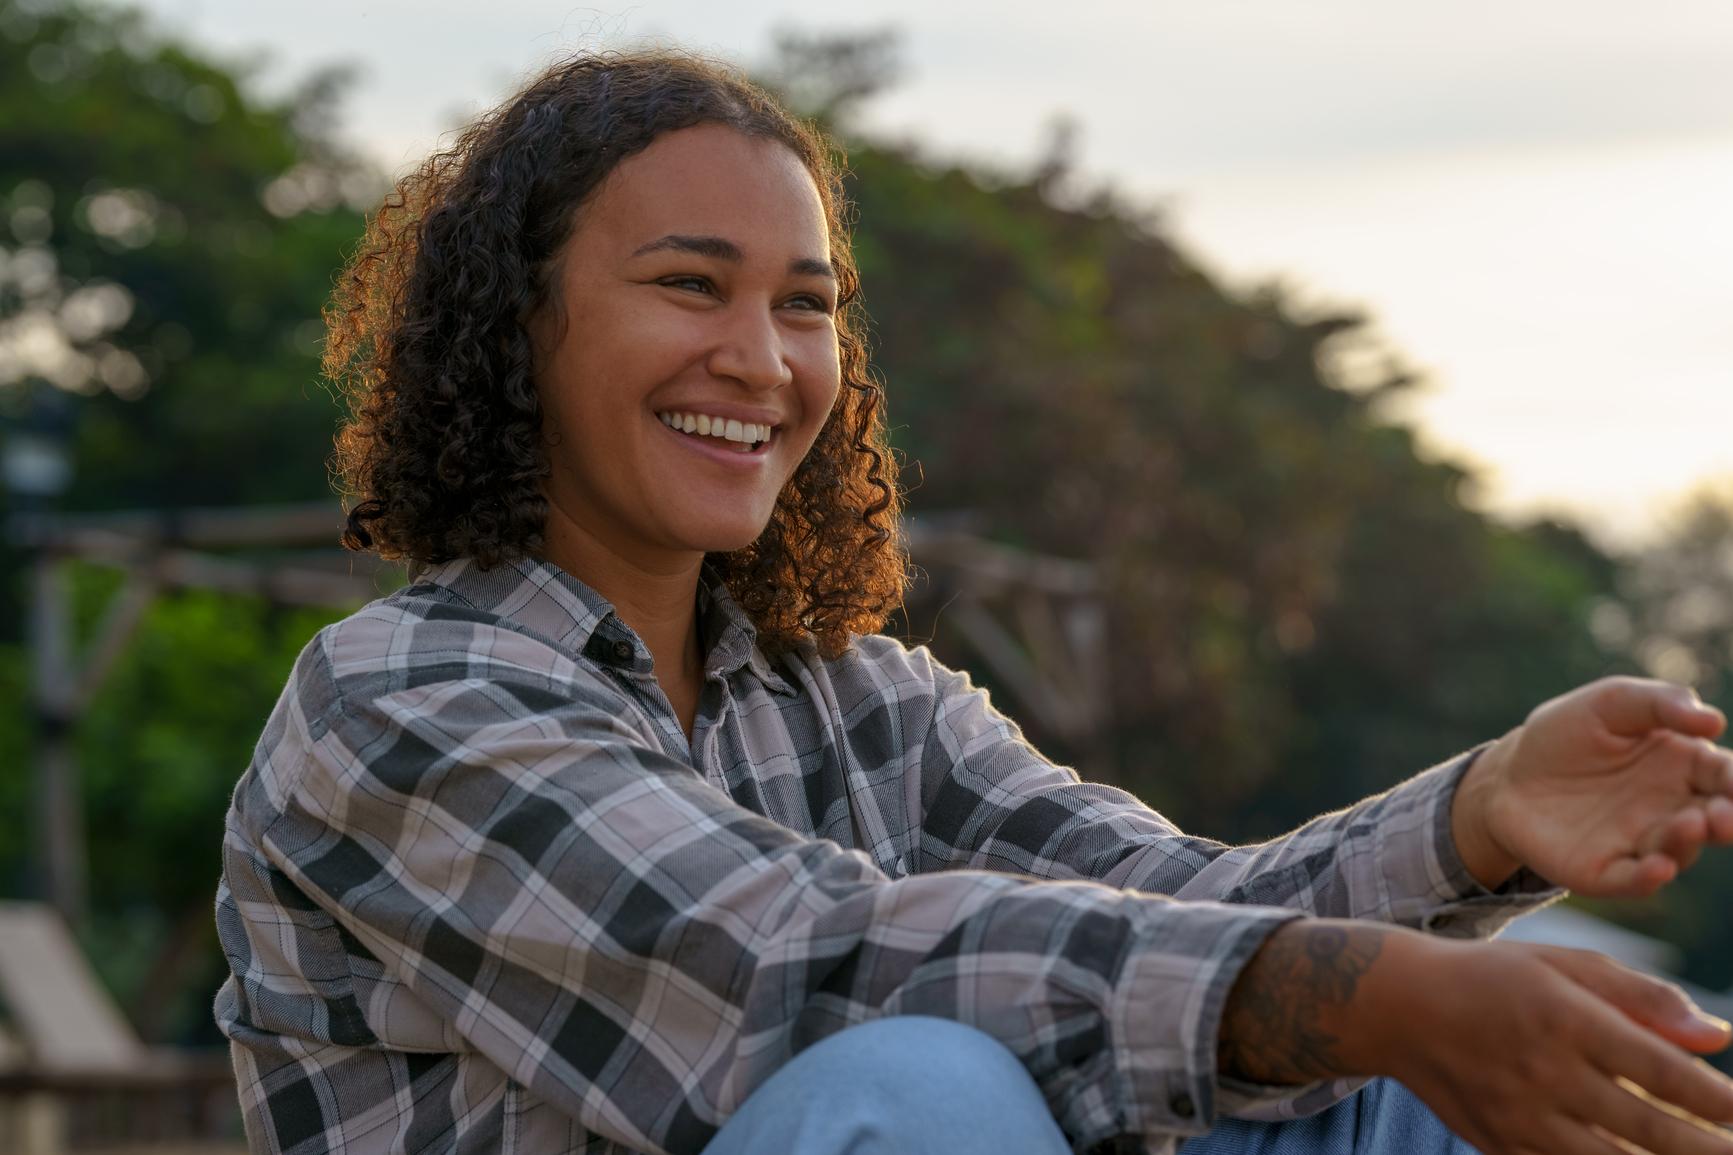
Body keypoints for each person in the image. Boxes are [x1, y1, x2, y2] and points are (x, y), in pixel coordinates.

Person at [212, 48, 1733, 1155]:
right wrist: (1379, 995)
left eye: (804, 304)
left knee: (1430, 1073)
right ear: (516, 328)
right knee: (917, 1090)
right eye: (690, 285)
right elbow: (801, 969)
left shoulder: (853, 695)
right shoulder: (401, 705)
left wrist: (1477, 820)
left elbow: (1175, 917)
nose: (762, 358)